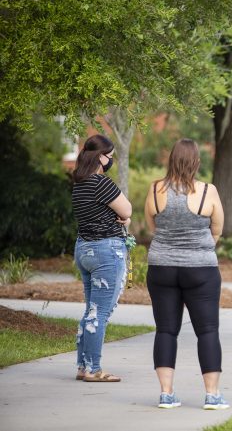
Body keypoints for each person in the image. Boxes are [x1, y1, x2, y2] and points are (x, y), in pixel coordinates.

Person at [144, 138, 228, 410]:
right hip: (201, 269)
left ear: (171, 160)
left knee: (166, 330)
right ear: (197, 162)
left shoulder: (156, 189)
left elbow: (151, 226)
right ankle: (212, 395)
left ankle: (166, 394)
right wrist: (199, 247)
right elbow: (217, 229)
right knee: (207, 331)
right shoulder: (208, 191)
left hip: (161, 267)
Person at [71, 134, 132, 382]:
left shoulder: (79, 184)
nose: (111, 160)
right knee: (100, 313)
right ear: (100, 157)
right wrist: (126, 220)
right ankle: (94, 369)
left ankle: (82, 366)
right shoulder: (101, 183)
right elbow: (126, 210)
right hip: (106, 250)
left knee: (91, 310)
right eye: (110, 155)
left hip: (84, 248)